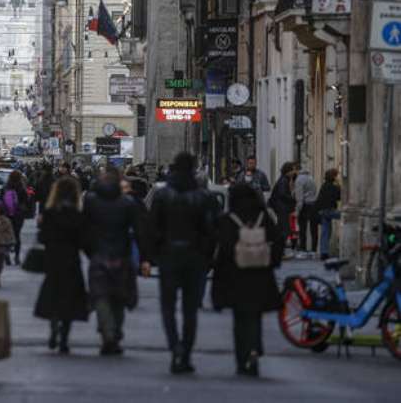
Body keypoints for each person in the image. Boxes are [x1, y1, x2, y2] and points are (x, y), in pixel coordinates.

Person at [143, 153, 215, 374]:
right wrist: (207, 258)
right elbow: (211, 231)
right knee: (190, 309)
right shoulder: (203, 196)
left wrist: (150, 257)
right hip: (195, 258)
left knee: (168, 306)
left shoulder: (163, 195)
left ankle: (175, 347)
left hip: (169, 256)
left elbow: (152, 228)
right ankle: (186, 352)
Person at [212, 183, 284, 376]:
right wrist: (272, 262)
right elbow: (278, 240)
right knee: (255, 315)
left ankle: (241, 357)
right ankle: (254, 349)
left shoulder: (228, 220)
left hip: (236, 275)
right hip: (260, 274)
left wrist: (218, 280)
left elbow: (223, 253)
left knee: (240, 318)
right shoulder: (263, 217)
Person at [83, 167, 142, 355]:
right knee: (118, 298)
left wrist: (89, 250)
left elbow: (84, 229)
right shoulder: (127, 203)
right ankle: (115, 333)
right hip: (121, 255)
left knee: (101, 296)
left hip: (99, 254)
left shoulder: (91, 201)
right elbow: (138, 230)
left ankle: (107, 332)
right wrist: (144, 256)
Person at [34, 176, 89, 354]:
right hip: (71, 261)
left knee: (54, 296)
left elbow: (42, 238)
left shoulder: (49, 213)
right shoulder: (78, 215)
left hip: (53, 260)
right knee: (69, 300)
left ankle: (53, 329)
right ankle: (64, 339)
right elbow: (83, 241)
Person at [0, 170, 28, 265]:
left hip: (6, 214)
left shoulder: (5, 187)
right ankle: (17, 257)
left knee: (7, 235)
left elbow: (0, 200)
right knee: (17, 235)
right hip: (18, 215)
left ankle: (7, 254)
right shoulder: (22, 188)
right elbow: (26, 201)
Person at [268, 162, 298, 251]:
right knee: (285, 229)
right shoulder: (284, 180)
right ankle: (278, 248)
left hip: (280, 207)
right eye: (293, 170)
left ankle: (276, 247)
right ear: (288, 171)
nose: (294, 172)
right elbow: (282, 194)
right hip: (281, 208)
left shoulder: (284, 179)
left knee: (281, 228)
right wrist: (293, 199)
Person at [316, 168, 341, 261]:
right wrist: (339, 184)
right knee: (345, 216)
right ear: (334, 177)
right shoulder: (334, 187)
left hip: (322, 211)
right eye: (337, 176)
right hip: (330, 211)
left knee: (325, 232)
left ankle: (324, 253)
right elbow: (339, 196)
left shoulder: (323, 186)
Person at [294, 166, 319, 256]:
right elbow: (315, 191)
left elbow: (299, 198)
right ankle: (314, 249)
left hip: (305, 205)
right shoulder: (311, 178)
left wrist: (297, 211)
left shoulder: (299, 180)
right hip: (314, 204)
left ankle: (303, 249)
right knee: (313, 228)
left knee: (303, 228)